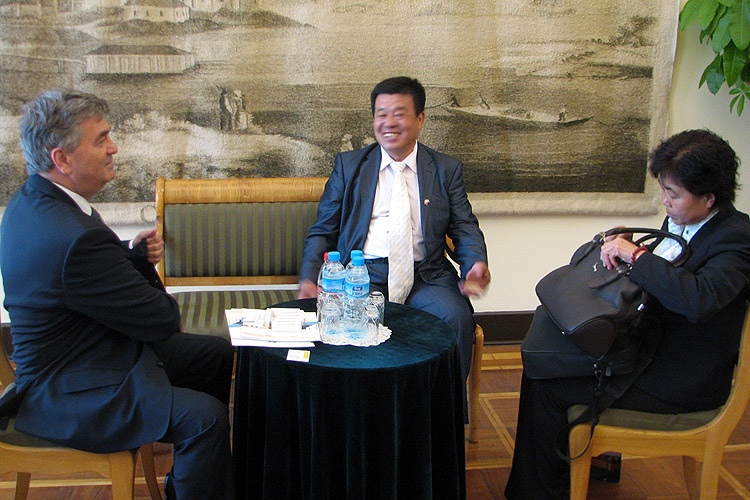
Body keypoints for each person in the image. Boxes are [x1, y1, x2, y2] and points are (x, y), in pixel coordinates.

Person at [0, 89, 235, 500]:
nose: (114, 147)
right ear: (62, 159)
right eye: (101, 139)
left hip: (85, 356)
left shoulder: (33, 201)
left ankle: (194, 480)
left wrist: (130, 256)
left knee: (214, 355)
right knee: (207, 418)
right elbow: (162, 320)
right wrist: (140, 267)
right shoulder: (74, 237)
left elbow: (77, 282)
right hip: (70, 391)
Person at [505, 129, 750, 499]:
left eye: (673, 194)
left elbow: (699, 299)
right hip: (647, 348)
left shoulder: (736, 238)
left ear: (709, 197)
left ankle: (541, 492)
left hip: (680, 377)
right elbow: (667, 273)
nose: (665, 201)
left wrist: (636, 257)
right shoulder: (687, 220)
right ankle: (579, 467)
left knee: (546, 382)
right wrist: (630, 248)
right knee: (543, 354)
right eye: (663, 189)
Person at [297, 76, 491, 408]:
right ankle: (357, 414)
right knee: (345, 330)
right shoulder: (350, 166)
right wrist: (309, 277)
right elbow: (323, 229)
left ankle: (442, 416)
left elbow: (464, 226)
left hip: (426, 276)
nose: (389, 122)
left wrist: (475, 263)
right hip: (361, 275)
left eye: (399, 114)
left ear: (420, 119)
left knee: (455, 319)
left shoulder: (445, 169)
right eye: (381, 114)